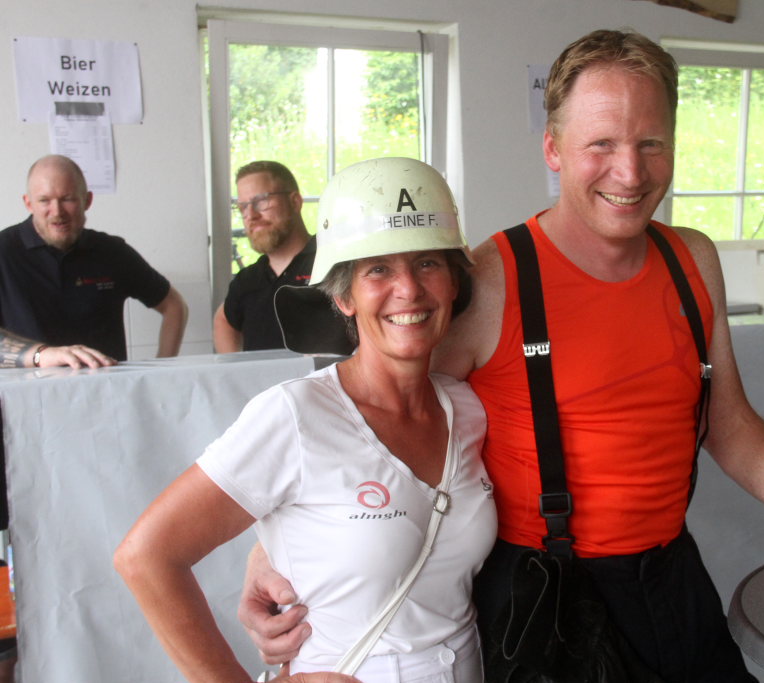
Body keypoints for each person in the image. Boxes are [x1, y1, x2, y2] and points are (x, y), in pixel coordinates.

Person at [239, 30, 764, 682]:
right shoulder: (493, 279)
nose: (629, 172)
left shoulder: (692, 259)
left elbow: (730, 423)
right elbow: (375, 420)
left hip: (674, 583)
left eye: (651, 143)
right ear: (553, 148)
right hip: (543, 603)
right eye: (600, 144)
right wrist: (271, 553)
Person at [115, 157, 497, 683]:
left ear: (454, 283)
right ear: (343, 296)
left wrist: (267, 552)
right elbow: (146, 557)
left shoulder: (469, 409)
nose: (409, 289)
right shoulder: (295, 415)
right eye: (378, 269)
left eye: (428, 262)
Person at [0, 154, 188, 366]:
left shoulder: (113, 252)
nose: (57, 212)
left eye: (67, 199)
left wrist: (162, 367)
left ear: (87, 200)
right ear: (28, 203)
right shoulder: (4, 251)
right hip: (28, 386)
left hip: (105, 384)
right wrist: (41, 356)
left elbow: (174, 306)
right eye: (44, 200)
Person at [213, 161, 316, 353]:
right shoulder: (246, 280)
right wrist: (233, 366)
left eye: (261, 201)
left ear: (295, 202)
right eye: (242, 207)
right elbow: (224, 319)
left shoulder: (333, 264)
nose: (250, 215)